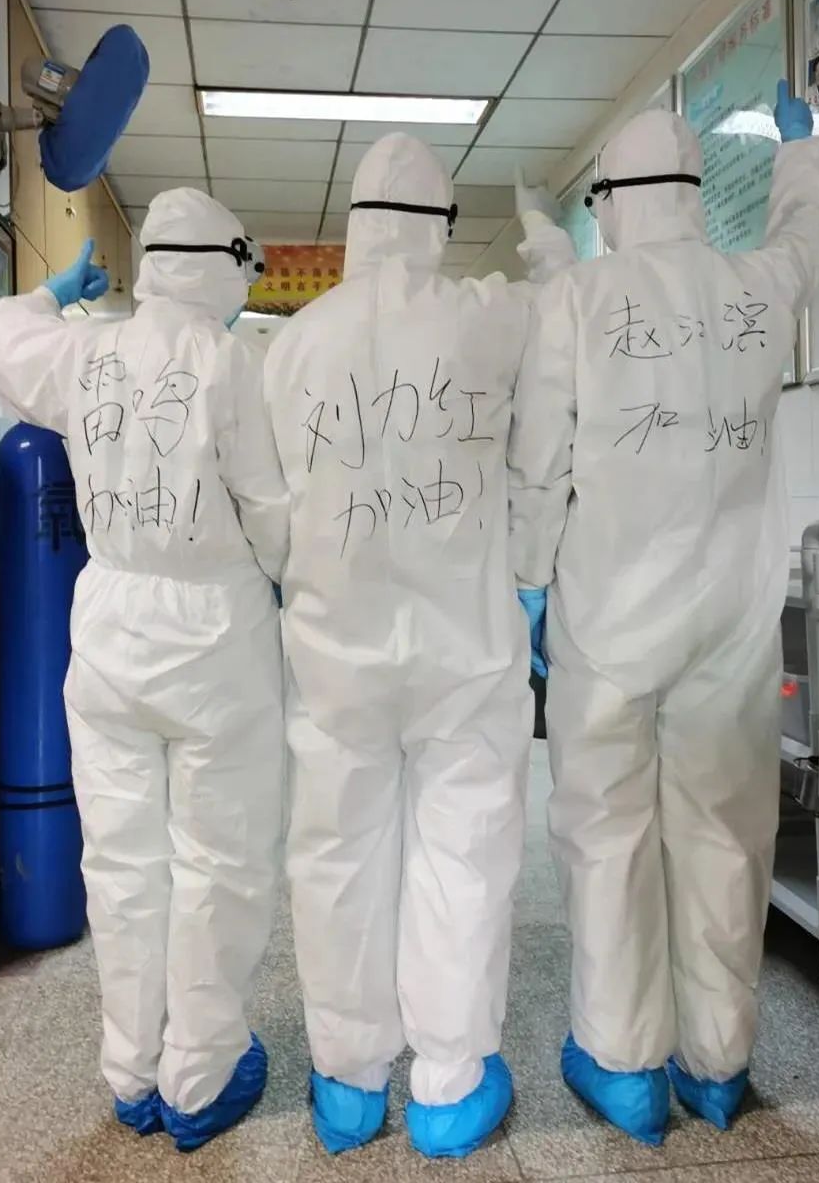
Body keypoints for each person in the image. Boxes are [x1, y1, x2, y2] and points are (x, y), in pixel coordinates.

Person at [506, 81, 819, 1146]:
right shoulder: (755, 285)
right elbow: (811, 233)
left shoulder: (576, 300)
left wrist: (526, 580)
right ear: (693, 190)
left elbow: (538, 465)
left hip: (610, 618)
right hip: (730, 620)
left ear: (613, 199)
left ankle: (623, 1065)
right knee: (725, 832)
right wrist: (801, 151)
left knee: (608, 832)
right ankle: (719, 1064)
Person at [258, 133, 575, 1160]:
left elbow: (272, 509)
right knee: (464, 854)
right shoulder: (489, 317)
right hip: (463, 648)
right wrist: (531, 572)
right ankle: (449, 1083)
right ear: (441, 226)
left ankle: (348, 1080)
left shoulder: (294, 344)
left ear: (354, 226)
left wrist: (301, 582)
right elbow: (542, 442)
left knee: (336, 855)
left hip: (334, 653)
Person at [0, 189, 288, 1153]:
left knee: (120, 862)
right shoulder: (230, 361)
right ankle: (202, 1074)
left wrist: (52, 294)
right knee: (217, 861)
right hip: (215, 636)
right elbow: (273, 516)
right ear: (223, 265)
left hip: (107, 628)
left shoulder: (88, 351)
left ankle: (132, 1072)